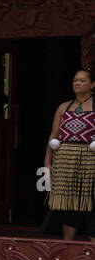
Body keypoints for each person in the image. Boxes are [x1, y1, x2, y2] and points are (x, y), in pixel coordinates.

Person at [42, 69, 95, 240]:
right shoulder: (64, 107)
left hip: (90, 160)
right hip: (65, 160)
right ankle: (67, 246)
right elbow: (53, 135)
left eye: (82, 80)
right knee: (68, 203)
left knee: (90, 201)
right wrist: (47, 162)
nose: (78, 83)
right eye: (75, 80)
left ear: (92, 84)